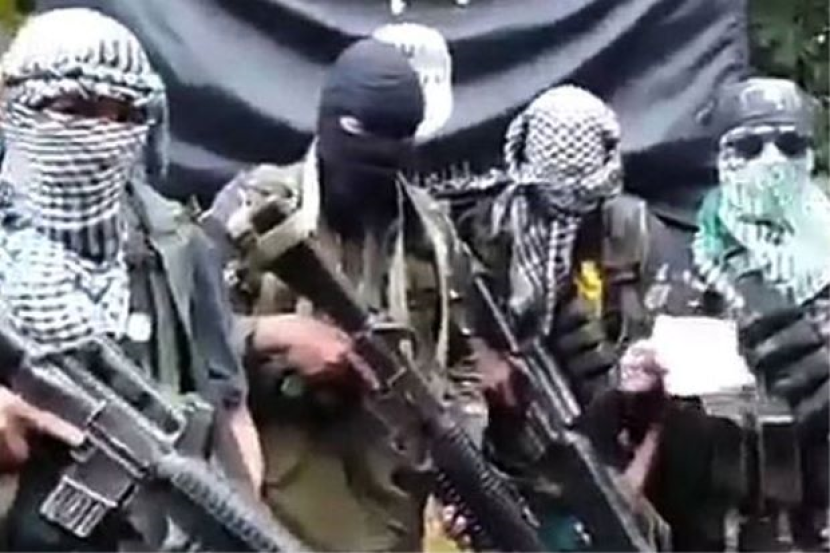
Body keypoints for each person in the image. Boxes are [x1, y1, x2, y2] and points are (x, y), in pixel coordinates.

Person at [208, 38, 486, 551]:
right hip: (269, 518)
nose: (378, 160)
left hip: (392, 521)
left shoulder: (431, 235)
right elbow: (182, 338)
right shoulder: (256, 211)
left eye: (397, 142)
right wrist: (272, 335)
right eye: (361, 135)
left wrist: (465, 469)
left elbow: (461, 367)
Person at [0, 8, 262, 550]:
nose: (102, 135)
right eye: (73, 110)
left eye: (123, 115)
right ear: (15, 109)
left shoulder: (175, 245)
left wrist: (241, 517)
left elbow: (229, 410)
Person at [439, 85, 669, 550]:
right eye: (550, 197)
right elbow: (438, 362)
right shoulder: (481, 236)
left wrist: (632, 483)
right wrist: (479, 357)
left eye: (579, 196)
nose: (563, 215)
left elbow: (672, 389)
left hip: (615, 468)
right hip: (510, 473)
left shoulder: (632, 234)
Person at [633, 77, 829, 551]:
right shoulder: (678, 259)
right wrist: (639, 380)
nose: (772, 161)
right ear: (721, 157)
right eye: (749, 146)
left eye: (789, 145)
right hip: (715, 520)